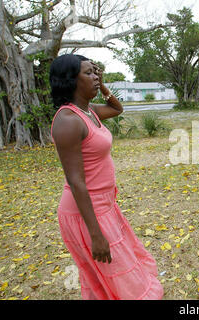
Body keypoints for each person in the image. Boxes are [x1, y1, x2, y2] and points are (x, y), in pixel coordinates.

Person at [50, 54, 163, 300]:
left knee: (114, 272)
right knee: (113, 271)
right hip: (85, 212)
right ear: (71, 79)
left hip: (104, 205)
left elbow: (116, 108)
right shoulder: (68, 120)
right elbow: (76, 181)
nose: (95, 76)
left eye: (96, 72)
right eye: (88, 73)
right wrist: (96, 235)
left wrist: (101, 85)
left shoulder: (88, 112)